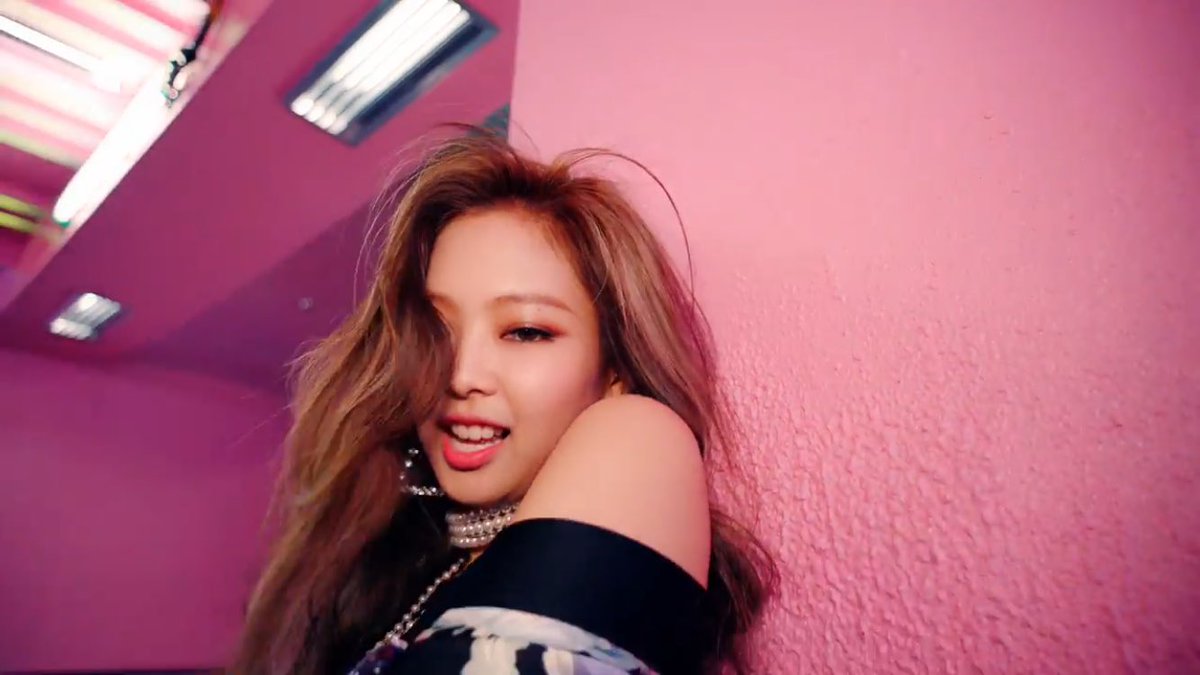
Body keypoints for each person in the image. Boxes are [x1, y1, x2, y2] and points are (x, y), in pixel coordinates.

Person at [232, 130, 775, 674]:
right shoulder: (389, 568)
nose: (460, 375)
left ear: (616, 371)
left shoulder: (642, 434)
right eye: (436, 331)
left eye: (526, 331)